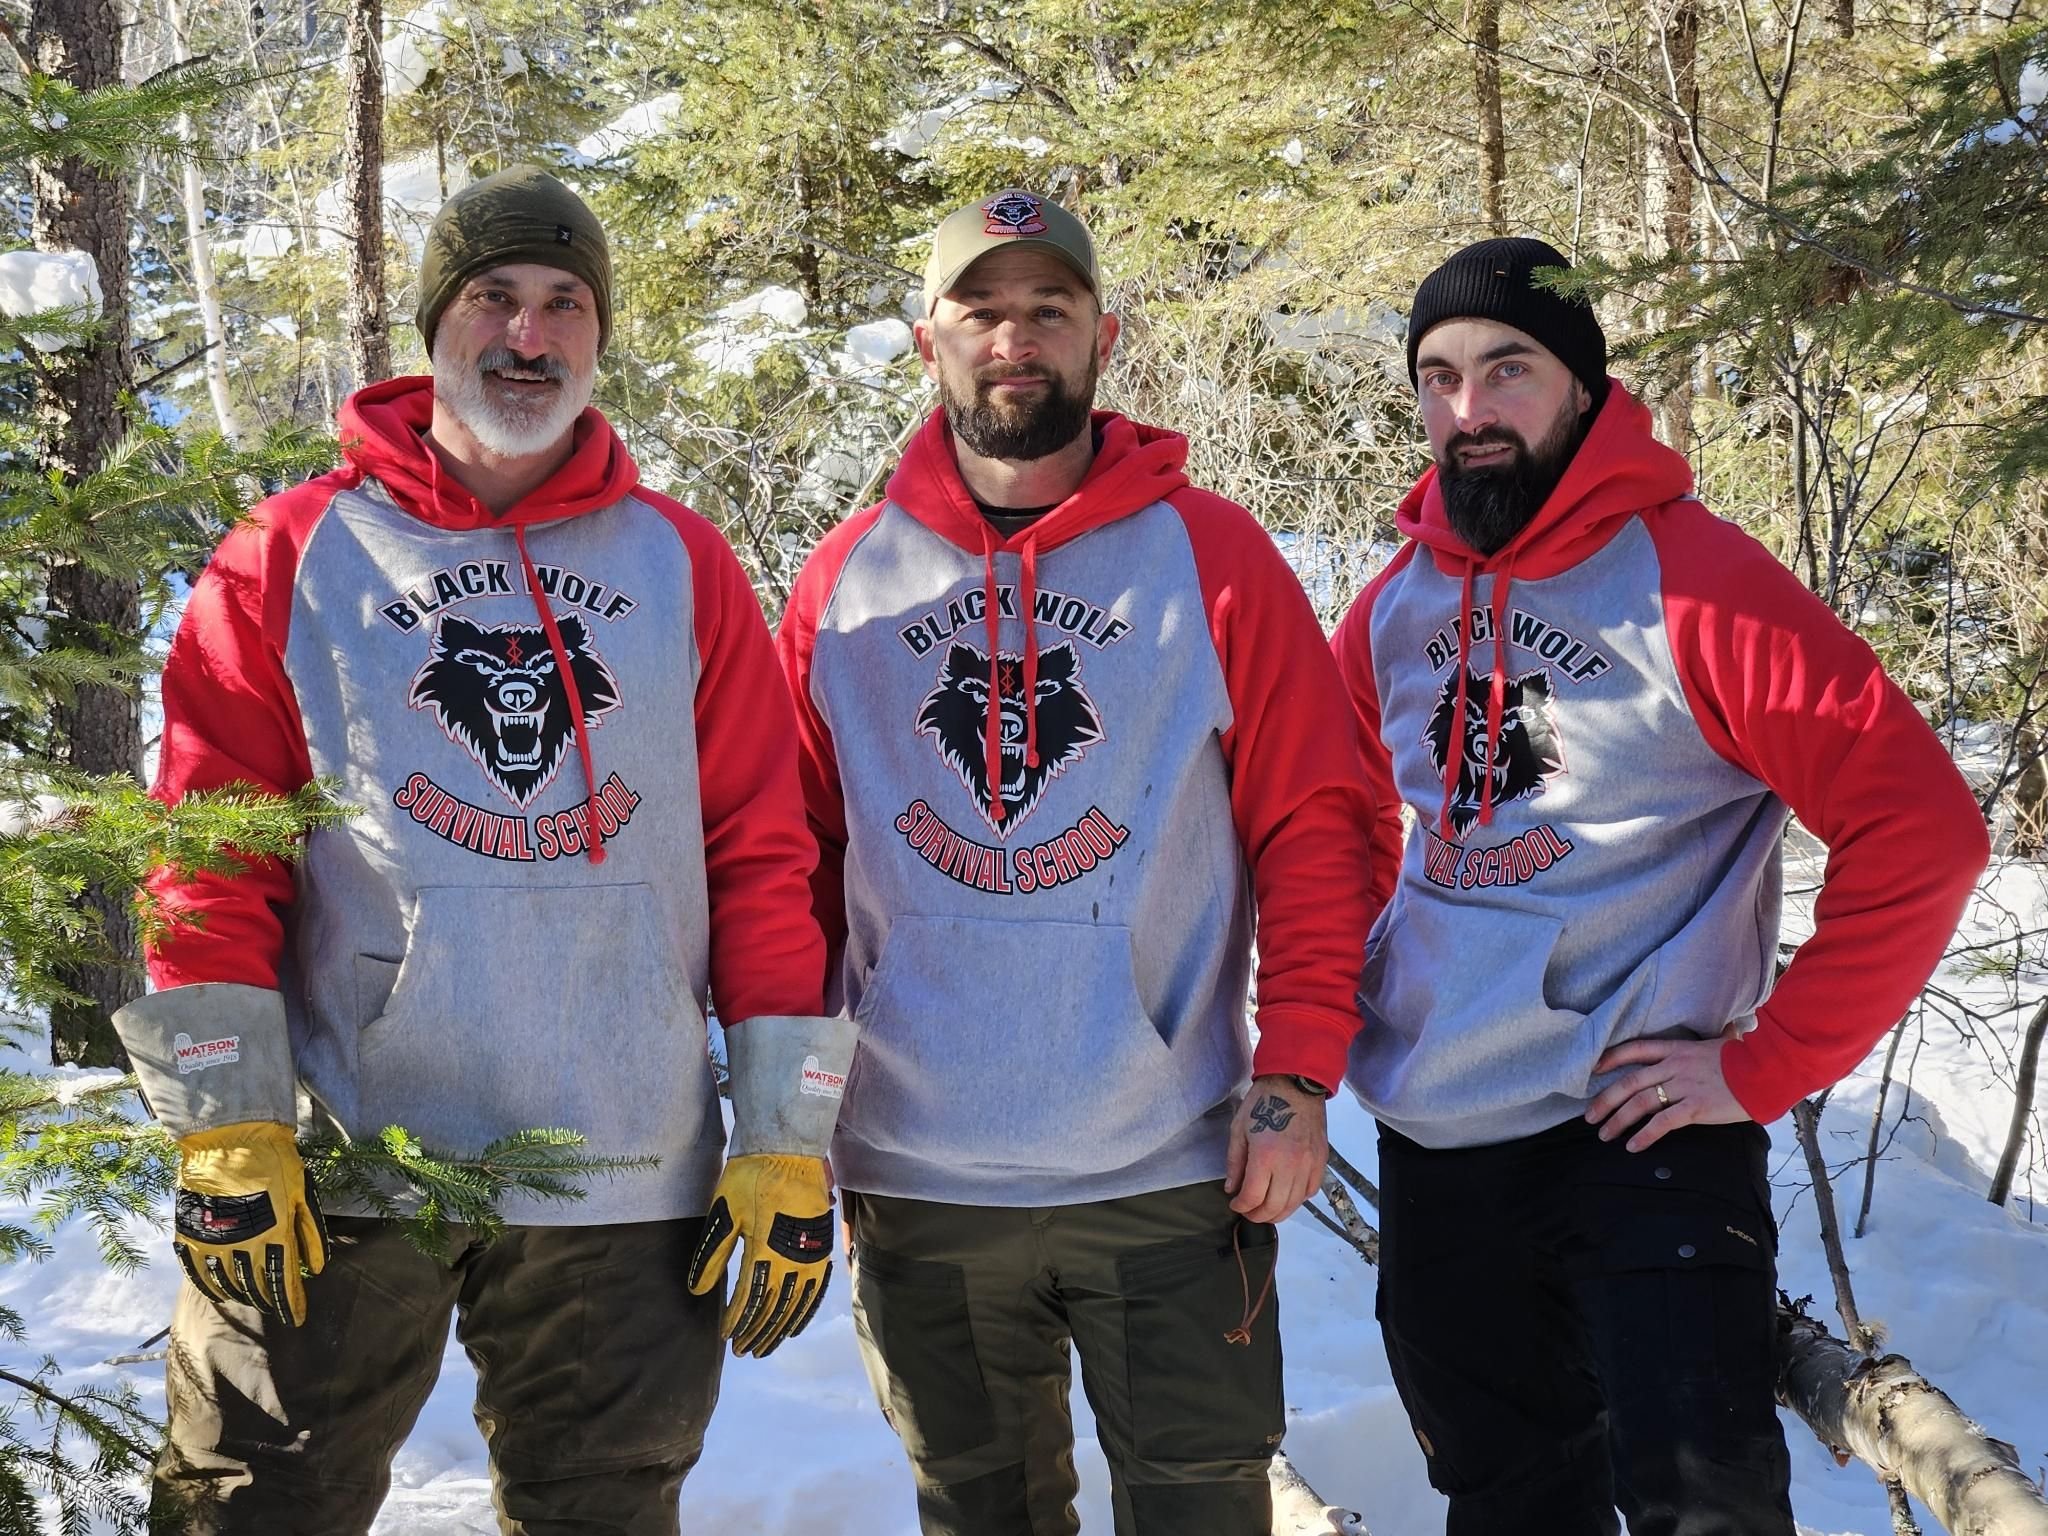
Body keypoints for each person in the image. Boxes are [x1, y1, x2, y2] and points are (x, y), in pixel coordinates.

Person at [114, 165, 853, 1535]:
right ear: (435, 323)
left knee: (605, 1511)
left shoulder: (681, 565)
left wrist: (787, 1132)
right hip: (342, 1153)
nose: (529, 333)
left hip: (621, 1162)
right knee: (245, 1508)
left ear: (599, 333)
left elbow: (762, 855)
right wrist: (227, 1121)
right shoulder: (288, 555)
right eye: (495, 297)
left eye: (564, 302)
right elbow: (213, 852)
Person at [1331, 236, 1991, 1536]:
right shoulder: (1393, 609)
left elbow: (1920, 829)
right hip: (1441, 1143)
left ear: (1582, 382)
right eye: (1439, 375)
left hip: (1642, 1134)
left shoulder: (1698, 583)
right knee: (1508, 1503)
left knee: (1708, 1514)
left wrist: (1764, 1066)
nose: (1469, 410)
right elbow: (1332, 830)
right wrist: (1352, 1007)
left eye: (1507, 368)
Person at [776, 188, 1378, 1536]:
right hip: (920, 1176)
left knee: (1200, 1512)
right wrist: (789, 1093)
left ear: (1105, 332)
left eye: (1048, 308)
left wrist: (1296, 1067)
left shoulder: (1212, 560)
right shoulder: (844, 582)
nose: (1015, 337)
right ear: (925, 333)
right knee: (982, 1514)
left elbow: (1318, 825)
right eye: (982, 308)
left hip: (1167, 1172)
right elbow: (789, 863)